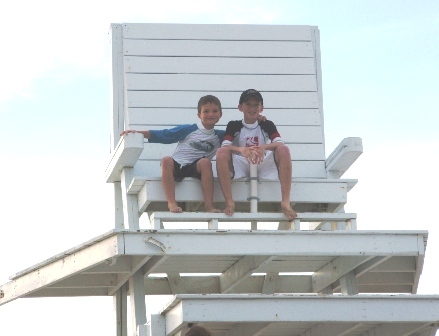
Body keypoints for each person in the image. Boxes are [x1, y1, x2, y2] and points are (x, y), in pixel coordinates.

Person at [120, 95, 224, 213]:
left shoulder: (221, 136)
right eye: (206, 111)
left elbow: (239, 139)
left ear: (220, 114)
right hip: (178, 165)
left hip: (196, 168)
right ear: (199, 115)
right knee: (166, 160)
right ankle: (171, 203)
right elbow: (165, 135)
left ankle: (209, 206)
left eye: (215, 111)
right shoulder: (189, 129)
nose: (211, 114)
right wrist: (138, 133)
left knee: (206, 162)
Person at [216, 89, 297, 219]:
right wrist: (242, 149)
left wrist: (263, 147)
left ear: (261, 108)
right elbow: (225, 145)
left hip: (262, 162)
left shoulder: (266, 124)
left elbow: (279, 143)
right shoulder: (234, 125)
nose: (252, 108)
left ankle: (286, 202)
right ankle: (230, 202)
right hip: (242, 163)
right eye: (248, 104)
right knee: (221, 153)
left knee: (284, 150)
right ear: (240, 107)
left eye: (256, 105)